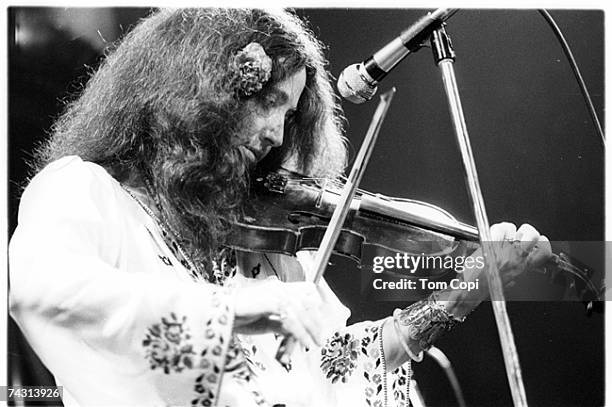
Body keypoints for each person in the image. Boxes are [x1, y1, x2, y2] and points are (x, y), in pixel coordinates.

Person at [9, 8, 552, 407]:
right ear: (197, 95)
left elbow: (334, 366)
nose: (276, 135)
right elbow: (39, 290)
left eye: (291, 117)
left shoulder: (255, 240)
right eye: (268, 104)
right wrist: (229, 313)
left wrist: (459, 296)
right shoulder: (84, 192)